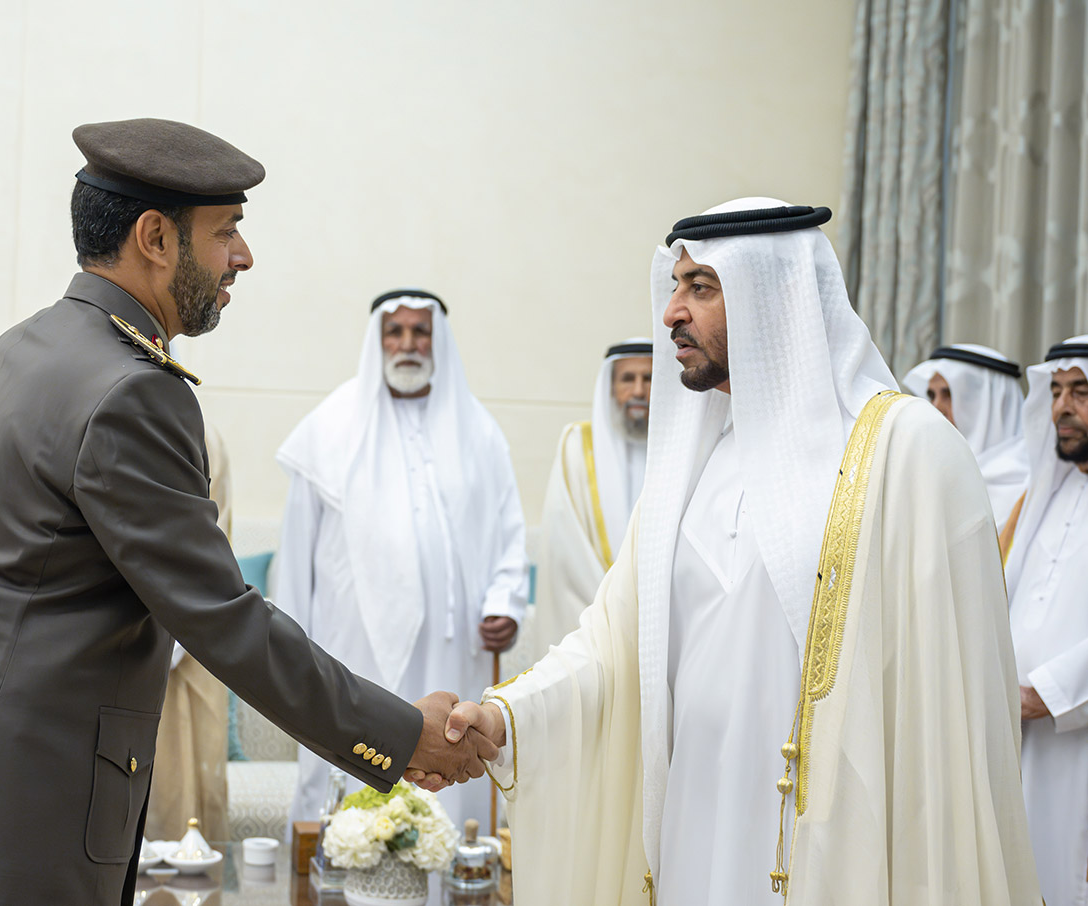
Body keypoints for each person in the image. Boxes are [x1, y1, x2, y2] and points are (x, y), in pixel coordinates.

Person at [0, 119, 491, 906]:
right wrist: (399, 736)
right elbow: (222, 619)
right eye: (227, 233)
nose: (243, 256)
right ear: (154, 238)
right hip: (25, 803)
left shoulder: (8, 353)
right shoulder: (131, 390)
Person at [436, 200, 1040, 905]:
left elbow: (951, 712)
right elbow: (607, 647)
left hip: (842, 849)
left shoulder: (906, 452)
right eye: (675, 286)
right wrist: (504, 716)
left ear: (773, 295)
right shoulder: (691, 466)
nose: (671, 315)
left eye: (701, 287)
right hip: (693, 821)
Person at [273, 288, 530, 829]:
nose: (408, 343)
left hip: (455, 650)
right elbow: (295, 562)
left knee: (450, 790)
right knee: (355, 798)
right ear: (378, 341)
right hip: (352, 651)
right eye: (396, 331)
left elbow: (510, 531)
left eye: (421, 331)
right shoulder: (330, 427)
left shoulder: (478, 429)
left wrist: (507, 601)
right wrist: (294, 657)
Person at [999, 336, 1088, 906]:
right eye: (1055, 391)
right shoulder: (1045, 496)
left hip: (1073, 747)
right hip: (1014, 736)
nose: (1061, 406)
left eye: (1080, 391)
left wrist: (1045, 693)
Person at [533, 338, 652, 658]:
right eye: (628, 379)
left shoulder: (682, 449)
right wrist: (616, 610)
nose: (639, 391)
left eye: (649, 378)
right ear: (611, 386)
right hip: (593, 625)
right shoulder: (577, 444)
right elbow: (566, 548)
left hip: (660, 622)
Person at [147, 424, 233, 841]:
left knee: (189, 813)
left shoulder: (204, 436)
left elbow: (217, 541)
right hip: (107, 652)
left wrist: (174, 635)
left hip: (195, 648)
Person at [903, 344, 1029, 529]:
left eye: (950, 395)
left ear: (990, 403)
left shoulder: (1028, 483)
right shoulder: (924, 474)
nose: (936, 408)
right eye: (932, 396)